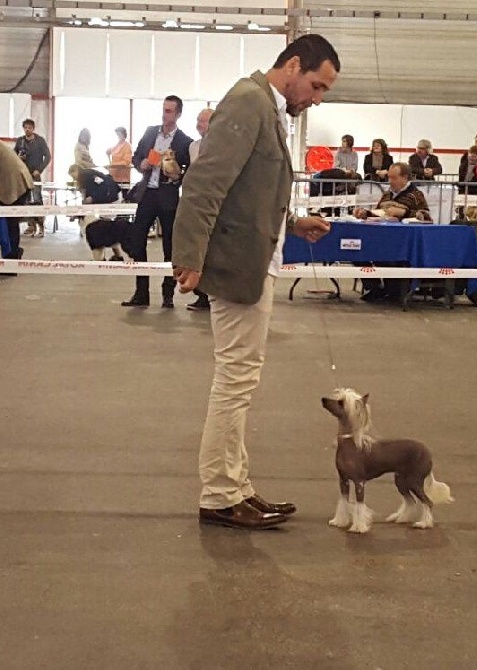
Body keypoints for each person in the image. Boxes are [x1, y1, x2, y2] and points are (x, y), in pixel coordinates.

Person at [172, 34, 339, 530]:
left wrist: (292, 222)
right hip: (238, 267)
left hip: (255, 259)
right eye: (316, 85)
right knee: (234, 382)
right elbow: (204, 183)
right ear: (292, 65)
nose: (316, 97)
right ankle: (221, 495)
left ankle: (236, 487)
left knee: (239, 382)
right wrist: (189, 256)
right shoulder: (248, 101)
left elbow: (251, 191)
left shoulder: (265, 107)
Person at [121, 95, 193, 309]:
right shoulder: (150, 132)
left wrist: (177, 176)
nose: (165, 114)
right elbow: (135, 157)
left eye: (169, 111)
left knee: (170, 246)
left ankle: (167, 293)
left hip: (168, 196)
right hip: (147, 193)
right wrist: (140, 163)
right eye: (163, 109)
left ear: (178, 114)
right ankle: (141, 292)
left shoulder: (184, 142)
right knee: (137, 241)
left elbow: (190, 170)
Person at [353, 162, 431, 302]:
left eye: (394, 178)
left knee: (388, 256)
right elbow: (377, 213)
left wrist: (405, 212)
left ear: (405, 178)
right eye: (389, 177)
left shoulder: (416, 195)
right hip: (381, 237)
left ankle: (394, 290)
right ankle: (374, 287)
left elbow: (426, 218)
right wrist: (365, 213)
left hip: (403, 243)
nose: (390, 181)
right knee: (355, 249)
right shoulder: (387, 195)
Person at [186, 108, 214, 312]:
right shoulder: (193, 147)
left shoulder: (224, 146)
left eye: (203, 121)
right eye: (198, 120)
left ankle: (212, 295)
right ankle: (201, 295)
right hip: (196, 204)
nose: (199, 124)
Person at [14, 118, 51, 237]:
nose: (27, 130)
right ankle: (31, 226)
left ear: (33, 128)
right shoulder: (20, 141)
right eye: (25, 127)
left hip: (35, 176)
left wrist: (39, 170)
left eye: (29, 127)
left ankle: (41, 227)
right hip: (22, 176)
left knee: (37, 200)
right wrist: (18, 157)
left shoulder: (40, 141)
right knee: (25, 201)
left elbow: (48, 156)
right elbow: (13, 156)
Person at [0, 141, 33, 269]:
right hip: (13, 180)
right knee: (9, 223)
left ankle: (11, 262)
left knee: (10, 223)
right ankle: (13, 254)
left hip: (15, 183)